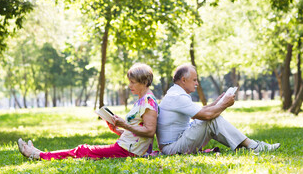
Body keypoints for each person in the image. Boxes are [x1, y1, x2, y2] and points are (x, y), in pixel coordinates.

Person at [18, 63, 159, 160]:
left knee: (83, 150)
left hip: (129, 151)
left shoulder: (148, 101)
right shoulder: (142, 100)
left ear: (145, 82)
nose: (129, 85)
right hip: (127, 147)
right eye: (130, 81)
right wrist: (116, 129)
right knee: (83, 149)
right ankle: (39, 153)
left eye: (133, 82)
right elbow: (136, 135)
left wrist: (124, 124)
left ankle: (38, 155)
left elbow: (149, 132)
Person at [156, 64, 280, 155]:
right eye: (194, 80)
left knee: (211, 119)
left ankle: (248, 145)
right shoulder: (177, 97)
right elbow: (206, 116)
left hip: (177, 142)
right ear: (183, 80)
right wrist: (224, 104)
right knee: (212, 120)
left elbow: (197, 113)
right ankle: (253, 146)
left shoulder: (176, 94)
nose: (197, 83)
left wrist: (216, 103)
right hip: (171, 148)